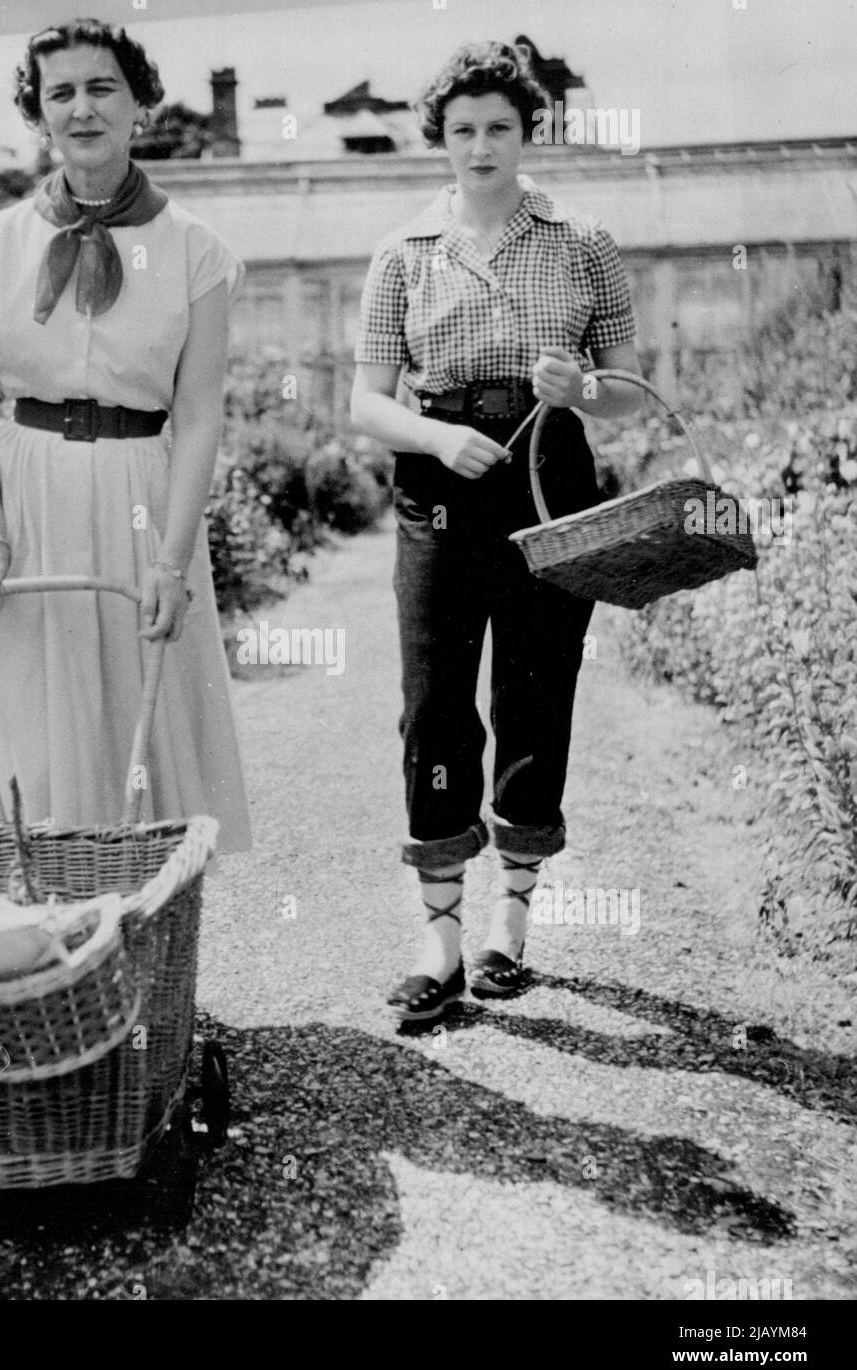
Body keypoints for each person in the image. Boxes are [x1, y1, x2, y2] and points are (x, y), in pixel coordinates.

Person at [350, 40, 642, 1022]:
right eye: (463, 130)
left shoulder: (584, 242)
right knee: (434, 706)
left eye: (500, 129)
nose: (482, 146)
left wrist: (582, 388)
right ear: (440, 139)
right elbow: (365, 402)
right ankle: (437, 943)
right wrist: (436, 434)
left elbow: (630, 395)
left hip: (552, 482)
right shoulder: (402, 255)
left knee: (534, 691)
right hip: (440, 490)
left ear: (530, 134)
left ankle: (506, 931)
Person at [0, 18, 250, 851]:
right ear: (38, 116)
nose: (83, 108)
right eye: (61, 93)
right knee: (34, 738)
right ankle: (49, 953)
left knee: (143, 731)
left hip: (144, 501)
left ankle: (147, 955)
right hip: (26, 503)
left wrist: (173, 562)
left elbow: (198, 415)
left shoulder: (198, 253)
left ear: (140, 104)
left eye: (102, 87)